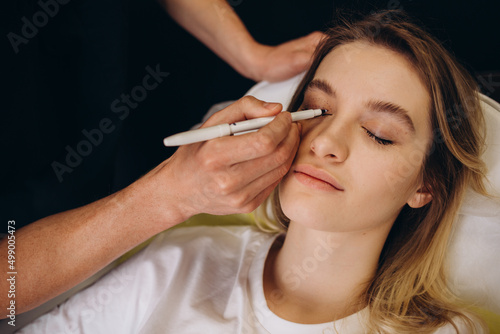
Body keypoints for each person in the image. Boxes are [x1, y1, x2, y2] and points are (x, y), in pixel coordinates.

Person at [16, 10, 490, 333]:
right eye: (316, 110)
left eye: (379, 134)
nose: (325, 142)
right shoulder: (181, 262)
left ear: (427, 184)